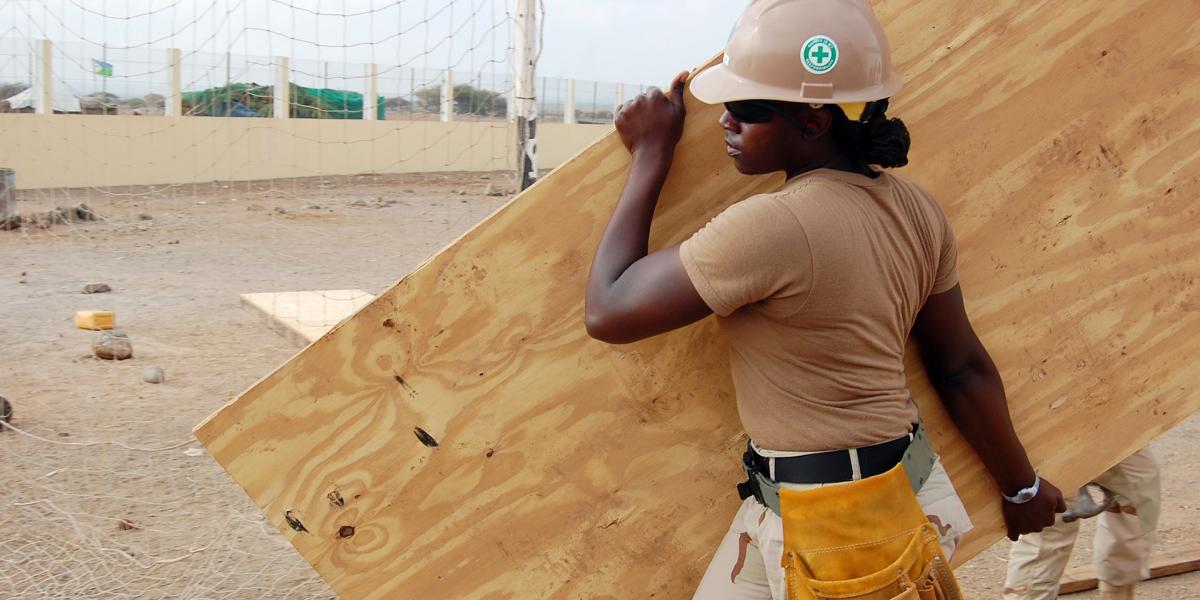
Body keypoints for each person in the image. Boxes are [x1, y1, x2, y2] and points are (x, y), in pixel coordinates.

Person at [584, 0, 1066, 598]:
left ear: (814, 122)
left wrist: (651, 154)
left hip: (844, 528)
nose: (725, 122)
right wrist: (1021, 486)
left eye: (748, 109)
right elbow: (960, 365)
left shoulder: (771, 227)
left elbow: (608, 311)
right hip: (875, 495)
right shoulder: (917, 210)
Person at [1004, 448, 1161, 600]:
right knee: (1048, 532)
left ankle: (1116, 592)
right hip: (1056, 439)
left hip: (1111, 430)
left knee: (1140, 496)